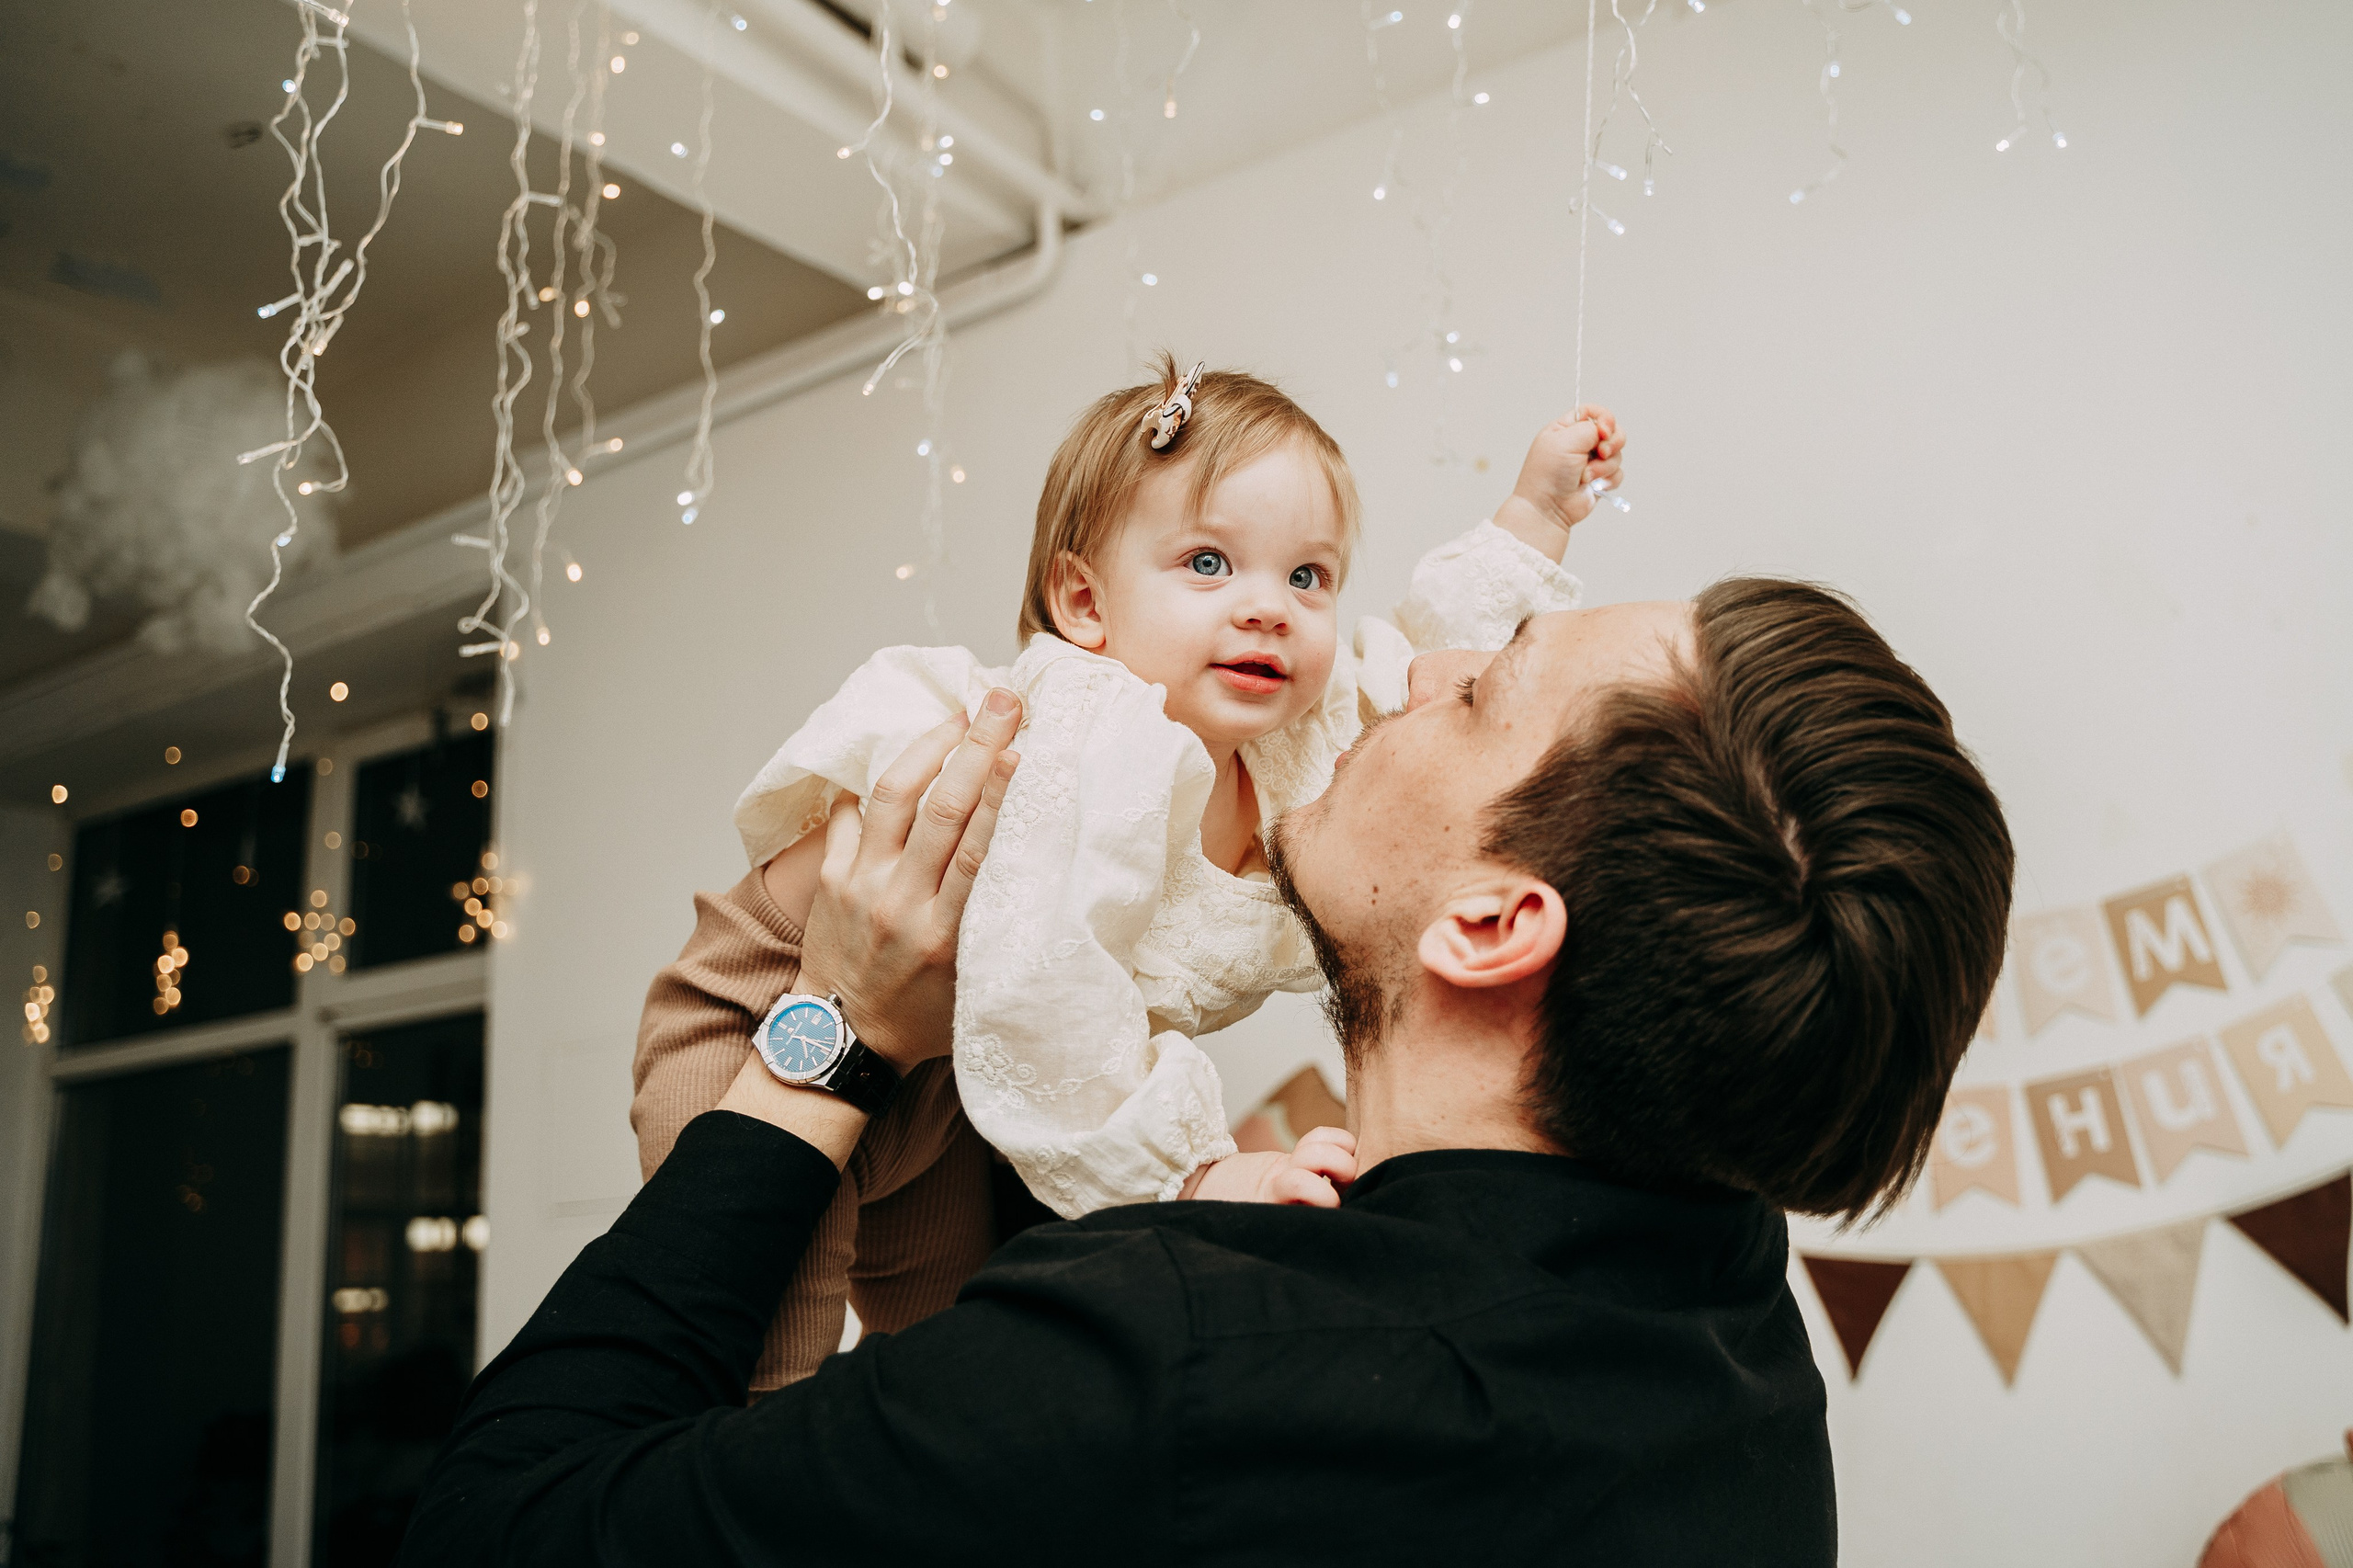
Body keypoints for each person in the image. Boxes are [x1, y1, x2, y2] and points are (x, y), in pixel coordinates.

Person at [401, 573, 2014, 1564]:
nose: (1406, 680)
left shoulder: (1170, 1352)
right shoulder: (1732, 1334)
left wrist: (832, 1025)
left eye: (1479, 695)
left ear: (1496, 920)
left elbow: (494, 1531)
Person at [633, 355, 1628, 1387]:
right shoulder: (1089, 732)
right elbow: (1044, 991)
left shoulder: (1292, 746)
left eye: (1307, 576)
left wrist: (1534, 512)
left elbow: (1426, 681)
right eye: (1207, 563)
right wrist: (1193, 1168)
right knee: (759, 1367)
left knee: (956, 1360)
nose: (1267, 608)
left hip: (947, 1067)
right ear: (1083, 602)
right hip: (775, 1011)